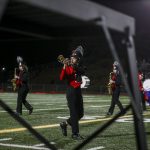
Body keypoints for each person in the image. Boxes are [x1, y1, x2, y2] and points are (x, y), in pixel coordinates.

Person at [59, 46, 85, 140]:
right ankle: (75, 134)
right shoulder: (68, 66)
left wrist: (73, 65)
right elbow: (61, 78)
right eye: (72, 57)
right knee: (74, 113)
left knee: (80, 114)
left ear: (78, 59)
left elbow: (82, 71)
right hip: (71, 91)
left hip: (78, 91)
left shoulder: (79, 66)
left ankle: (64, 124)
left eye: (74, 58)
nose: (72, 59)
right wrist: (64, 67)